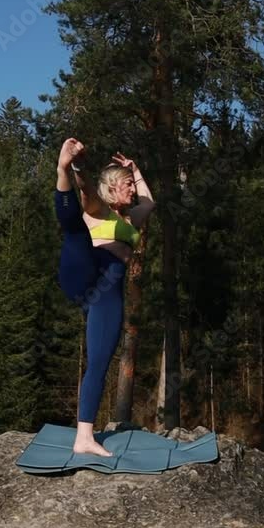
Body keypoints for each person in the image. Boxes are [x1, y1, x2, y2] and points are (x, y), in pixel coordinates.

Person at [55, 137, 156, 457]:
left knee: (99, 360)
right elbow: (86, 191)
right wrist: (77, 168)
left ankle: (84, 437)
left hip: (106, 292)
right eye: (127, 185)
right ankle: (62, 169)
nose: (132, 191)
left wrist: (135, 170)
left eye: (132, 186)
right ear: (111, 188)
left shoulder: (132, 219)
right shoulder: (99, 210)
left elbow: (149, 203)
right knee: (74, 228)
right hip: (83, 271)